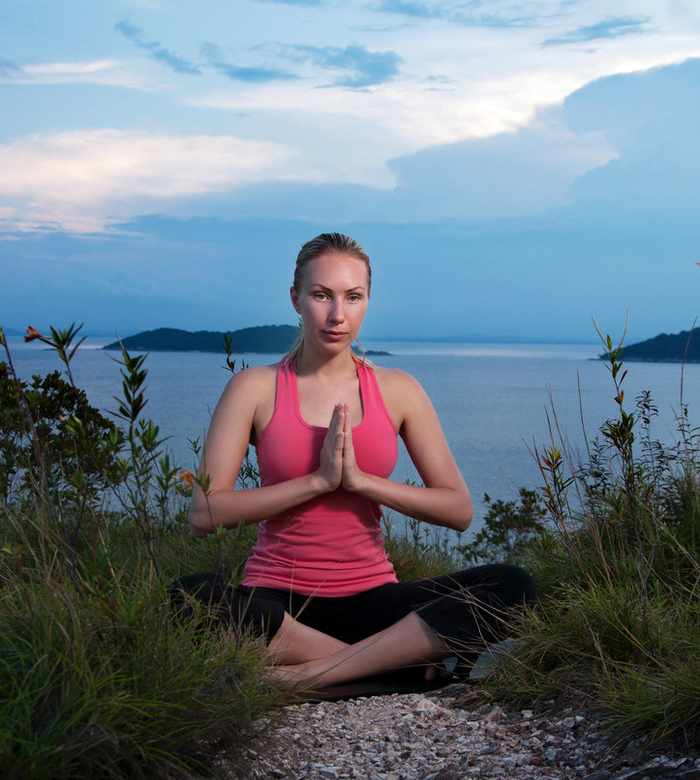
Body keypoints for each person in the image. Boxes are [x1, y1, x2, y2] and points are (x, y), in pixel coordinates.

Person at [178, 233, 535, 689]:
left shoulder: (398, 389)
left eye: (352, 297)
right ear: (295, 299)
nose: (337, 315)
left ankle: (308, 676)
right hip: (279, 608)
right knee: (189, 596)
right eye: (321, 295)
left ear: (367, 300)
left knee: (512, 585)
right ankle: (390, 667)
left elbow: (458, 510)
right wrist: (318, 481)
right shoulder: (254, 387)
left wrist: (362, 481)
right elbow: (204, 513)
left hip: (374, 604)